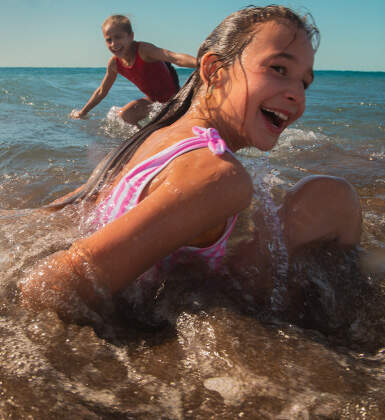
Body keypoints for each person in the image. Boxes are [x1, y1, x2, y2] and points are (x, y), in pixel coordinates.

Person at [23, 6, 362, 316]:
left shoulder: (158, 134)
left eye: (305, 82)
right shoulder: (217, 174)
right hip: (167, 307)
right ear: (214, 70)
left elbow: (72, 206)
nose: (297, 95)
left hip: (146, 278)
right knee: (331, 198)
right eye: (278, 68)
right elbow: (51, 287)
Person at [70, 15, 198, 126]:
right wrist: (82, 112)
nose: (114, 44)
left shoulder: (144, 51)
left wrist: (200, 62)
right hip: (153, 102)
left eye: (118, 37)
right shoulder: (114, 64)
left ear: (131, 36)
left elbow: (173, 57)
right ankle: (143, 137)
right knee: (124, 115)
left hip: (176, 98)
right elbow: (102, 91)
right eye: (109, 40)